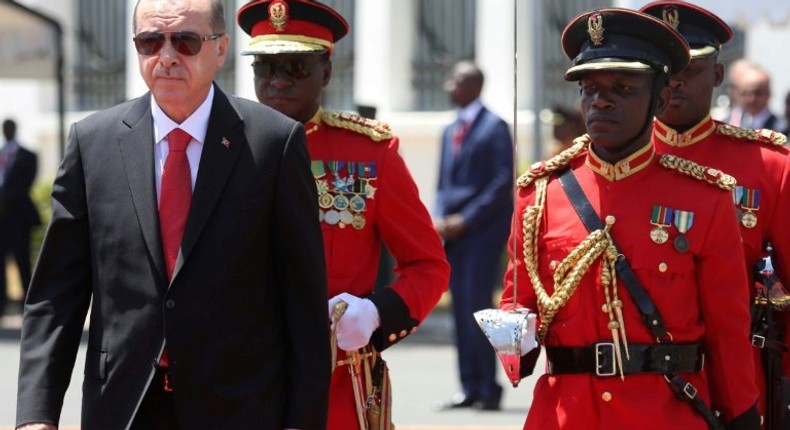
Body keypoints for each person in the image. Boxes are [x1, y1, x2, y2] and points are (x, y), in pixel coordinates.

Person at [15, 0, 330, 429]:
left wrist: (302, 421)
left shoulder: (273, 143)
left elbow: (303, 301)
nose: (166, 57)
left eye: (185, 41)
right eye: (149, 42)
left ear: (220, 50)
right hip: (123, 405)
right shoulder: (94, 143)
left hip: (239, 407)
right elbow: (56, 295)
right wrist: (36, 415)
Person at [498, 8, 760, 430]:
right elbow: (519, 311)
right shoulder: (540, 193)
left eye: (622, 88)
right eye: (589, 88)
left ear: (659, 98)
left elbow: (728, 334)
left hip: (664, 414)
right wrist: (512, 338)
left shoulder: (704, 199)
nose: (601, 100)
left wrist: (743, 419)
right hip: (566, 414)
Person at [236, 1, 450, 429]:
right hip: (239, 379)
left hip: (335, 384)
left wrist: (376, 313)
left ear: (326, 71)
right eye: (265, 67)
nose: (277, 81)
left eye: (295, 67)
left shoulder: (369, 154)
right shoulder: (224, 149)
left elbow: (428, 265)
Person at [640, 2, 790, 426]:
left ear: (719, 76)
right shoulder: (613, 161)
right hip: (639, 383)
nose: (675, 82)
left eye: (690, 69)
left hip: (738, 381)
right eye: (665, 69)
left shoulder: (768, 164)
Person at [433, 60, 513, 411]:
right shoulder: (450, 129)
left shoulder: (495, 127)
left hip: (481, 233)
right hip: (453, 235)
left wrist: (464, 219)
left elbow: (500, 183)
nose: (449, 85)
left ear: (475, 85)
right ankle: (468, 386)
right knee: (460, 313)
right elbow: (443, 184)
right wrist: (440, 219)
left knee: (480, 312)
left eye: (456, 79)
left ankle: (488, 388)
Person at [0, 119, 40, 318]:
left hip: (19, 219)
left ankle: (28, 304)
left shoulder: (28, 156)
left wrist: (6, 199)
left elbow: (25, 184)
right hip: (1, 221)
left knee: (23, 262)